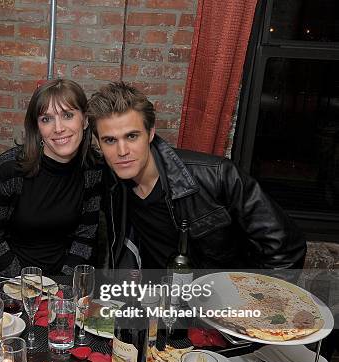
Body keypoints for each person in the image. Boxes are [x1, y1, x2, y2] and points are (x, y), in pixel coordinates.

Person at [86, 81, 306, 271]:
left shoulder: (217, 175)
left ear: (151, 133)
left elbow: (286, 248)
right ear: (98, 143)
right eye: (110, 140)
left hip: (218, 300)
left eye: (132, 136)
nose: (122, 151)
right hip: (157, 301)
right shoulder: (110, 182)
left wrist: (254, 306)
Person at [0, 79, 103, 277]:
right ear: (37, 127)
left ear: (85, 120)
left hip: (65, 279)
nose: (58, 128)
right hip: (12, 279)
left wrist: (63, 285)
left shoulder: (93, 169)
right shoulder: (9, 169)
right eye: (46, 119)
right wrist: (25, 285)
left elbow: (86, 236)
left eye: (67, 115)